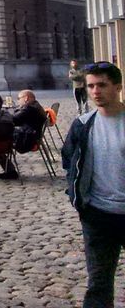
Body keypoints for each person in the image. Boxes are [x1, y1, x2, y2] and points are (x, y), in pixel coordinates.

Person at [62, 62, 125, 308]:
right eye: (91, 86)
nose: (95, 91)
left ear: (118, 87)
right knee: (98, 285)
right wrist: (78, 198)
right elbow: (70, 161)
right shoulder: (82, 124)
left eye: (102, 85)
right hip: (97, 215)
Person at [11, 89, 46, 154]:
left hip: (26, 141)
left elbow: (14, 120)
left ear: (26, 98)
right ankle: (4, 161)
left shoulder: (29, 108)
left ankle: (3, 161)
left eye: (19, 98)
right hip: (34, 137)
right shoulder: (36, 105)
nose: (18, 101)